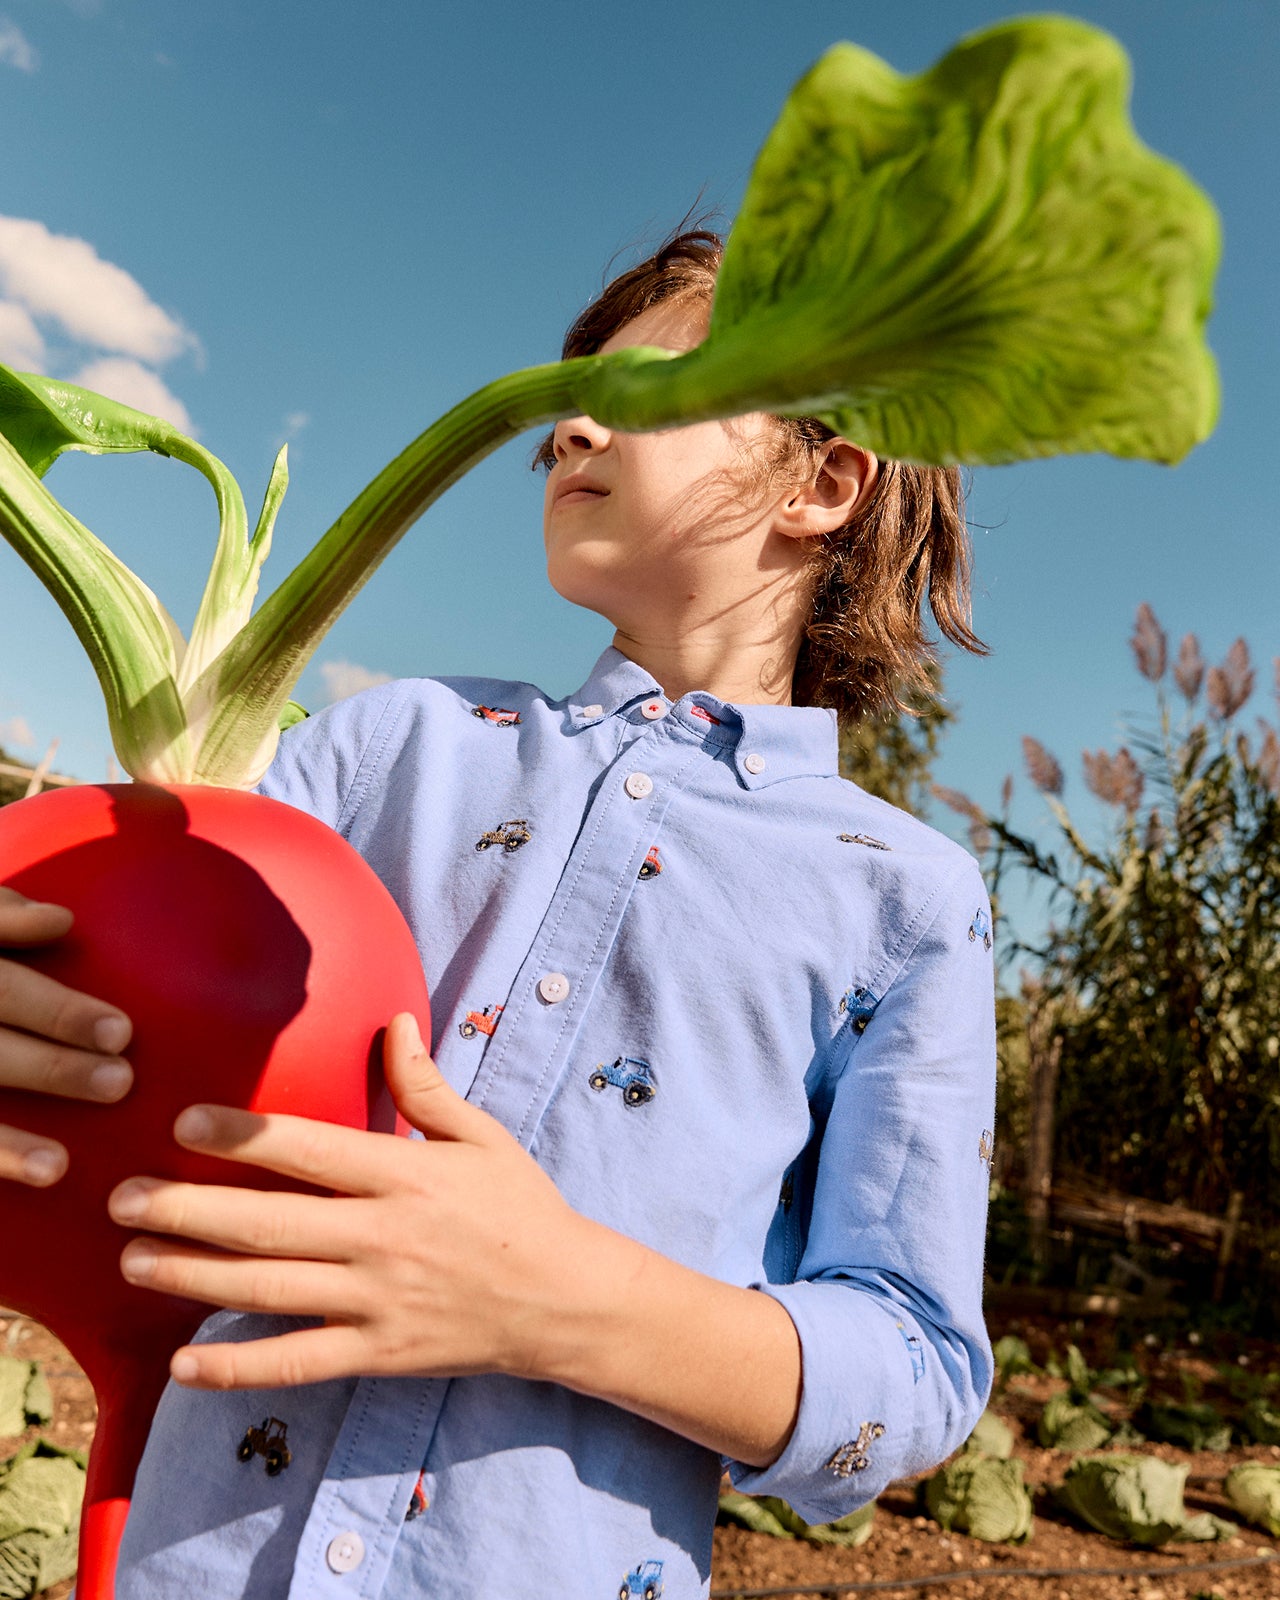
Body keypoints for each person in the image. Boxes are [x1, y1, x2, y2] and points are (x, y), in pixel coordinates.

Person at [0, 231, 997, 1599]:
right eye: (557, 400)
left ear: (823, 482)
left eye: (651, 388)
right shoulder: (381, 751)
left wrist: (565, 1302)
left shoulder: (906, 897)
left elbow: (916, 1368)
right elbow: (147, 971)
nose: (569, 422)